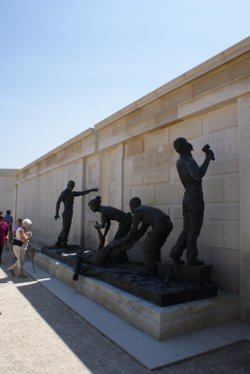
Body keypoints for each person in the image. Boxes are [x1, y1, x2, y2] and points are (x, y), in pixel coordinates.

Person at [169, 138, 215, 266]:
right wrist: (207, 159)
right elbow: (197, 175)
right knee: (193, 230)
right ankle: (191, 258)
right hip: (194, 197)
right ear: (186, 147)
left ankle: (175, 253)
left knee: (188, 229)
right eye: (188, 145)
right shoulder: (189, 161)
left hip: (187, 197)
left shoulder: (179, 162)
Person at [54, 180, 98, 248]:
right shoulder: (64, 192)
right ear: (68, 185)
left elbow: (82, 193)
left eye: (73, 185)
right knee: (66, 228)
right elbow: (58, 202)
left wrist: (91, 190)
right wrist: (56, 213)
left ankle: (58, 242)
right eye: (71, 185)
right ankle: (64, 242)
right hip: (66, 213)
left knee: (66, 228)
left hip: (70, 213)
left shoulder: (72, 193)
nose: (72, 186)